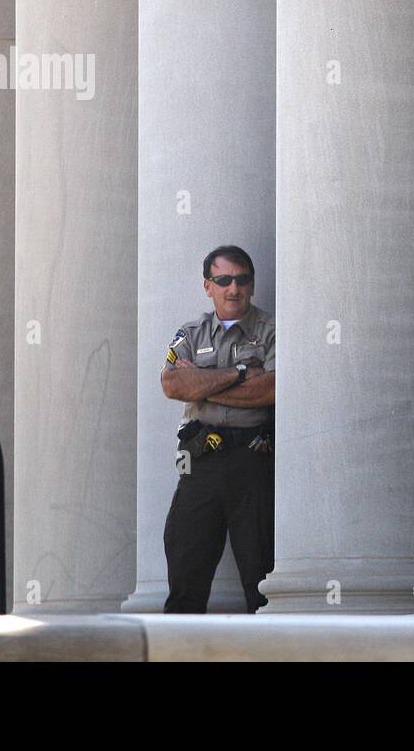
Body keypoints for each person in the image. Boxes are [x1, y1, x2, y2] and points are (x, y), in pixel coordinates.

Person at [160, 245, 275, 613]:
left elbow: (273, 389)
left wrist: (205, 385)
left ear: (252, 285)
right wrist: (241, 375)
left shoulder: (271, 331)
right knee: (184, 572)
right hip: (198, 462)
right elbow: (173, 386)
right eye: (223, 280)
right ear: (208, 286)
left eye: (241, 280)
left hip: (251, 460)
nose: (233, 289)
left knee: (261, 582)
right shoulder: (189, 333)